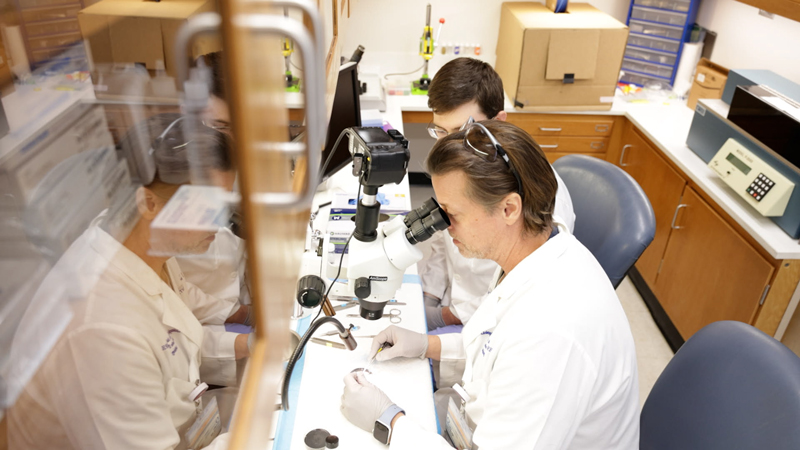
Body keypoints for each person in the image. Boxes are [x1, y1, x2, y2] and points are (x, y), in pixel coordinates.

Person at [340, 120, 639, 449]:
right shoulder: (539, 252)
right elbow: (495, 349)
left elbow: (523, 354)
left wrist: (389, 422)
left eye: (453, 213)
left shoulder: (552, 329)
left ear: (509, 208)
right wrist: (426, 345)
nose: (443, 225)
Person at [8, 116, 245, 449]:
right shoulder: (103, 326)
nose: (219, 224)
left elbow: (173, 339)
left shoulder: (135, 241)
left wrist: (247, 348)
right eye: (208, 208)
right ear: (148, 203)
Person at [418, 57, 576, 334]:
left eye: (462, 131)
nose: (449, 145)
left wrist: (445, 317)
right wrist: (427, 297)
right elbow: (444, 238)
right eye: (441, 132)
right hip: (456, 302)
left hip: (491, 323)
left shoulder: (547, 202)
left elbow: (521, 296)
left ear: (499, 121)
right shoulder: (463, 167)